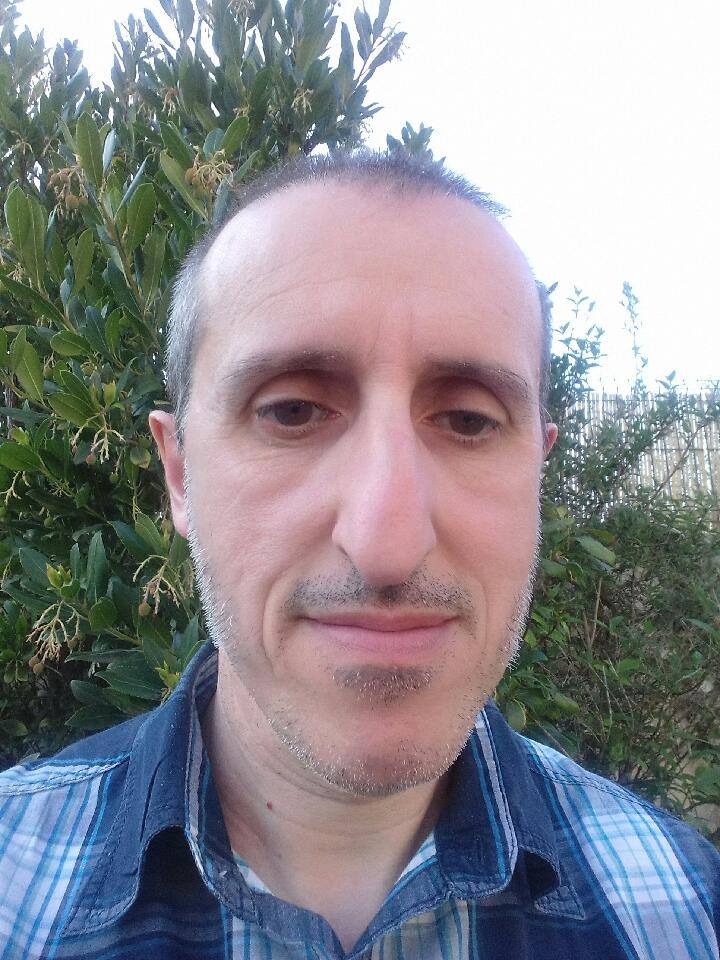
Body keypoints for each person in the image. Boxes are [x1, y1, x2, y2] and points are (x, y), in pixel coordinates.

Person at [0, 151, 718, 960]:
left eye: (470, 420)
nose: (387, 543)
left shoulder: (687, 914)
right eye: (292, 410)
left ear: (536, 475)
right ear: (180, 473)